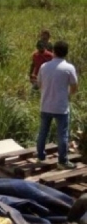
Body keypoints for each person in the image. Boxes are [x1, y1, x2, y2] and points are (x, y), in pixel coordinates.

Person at [36, 40, 78, 169]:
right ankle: (62, 161)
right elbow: (74, 87)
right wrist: (68, 95)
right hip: (61, 107)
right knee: (62, 134)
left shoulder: (44, 67)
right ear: (66, 53)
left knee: (43, 132)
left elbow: (39, 84)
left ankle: (40, 157)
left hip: (45, 105)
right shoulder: (69, 68)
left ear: (53, 51)